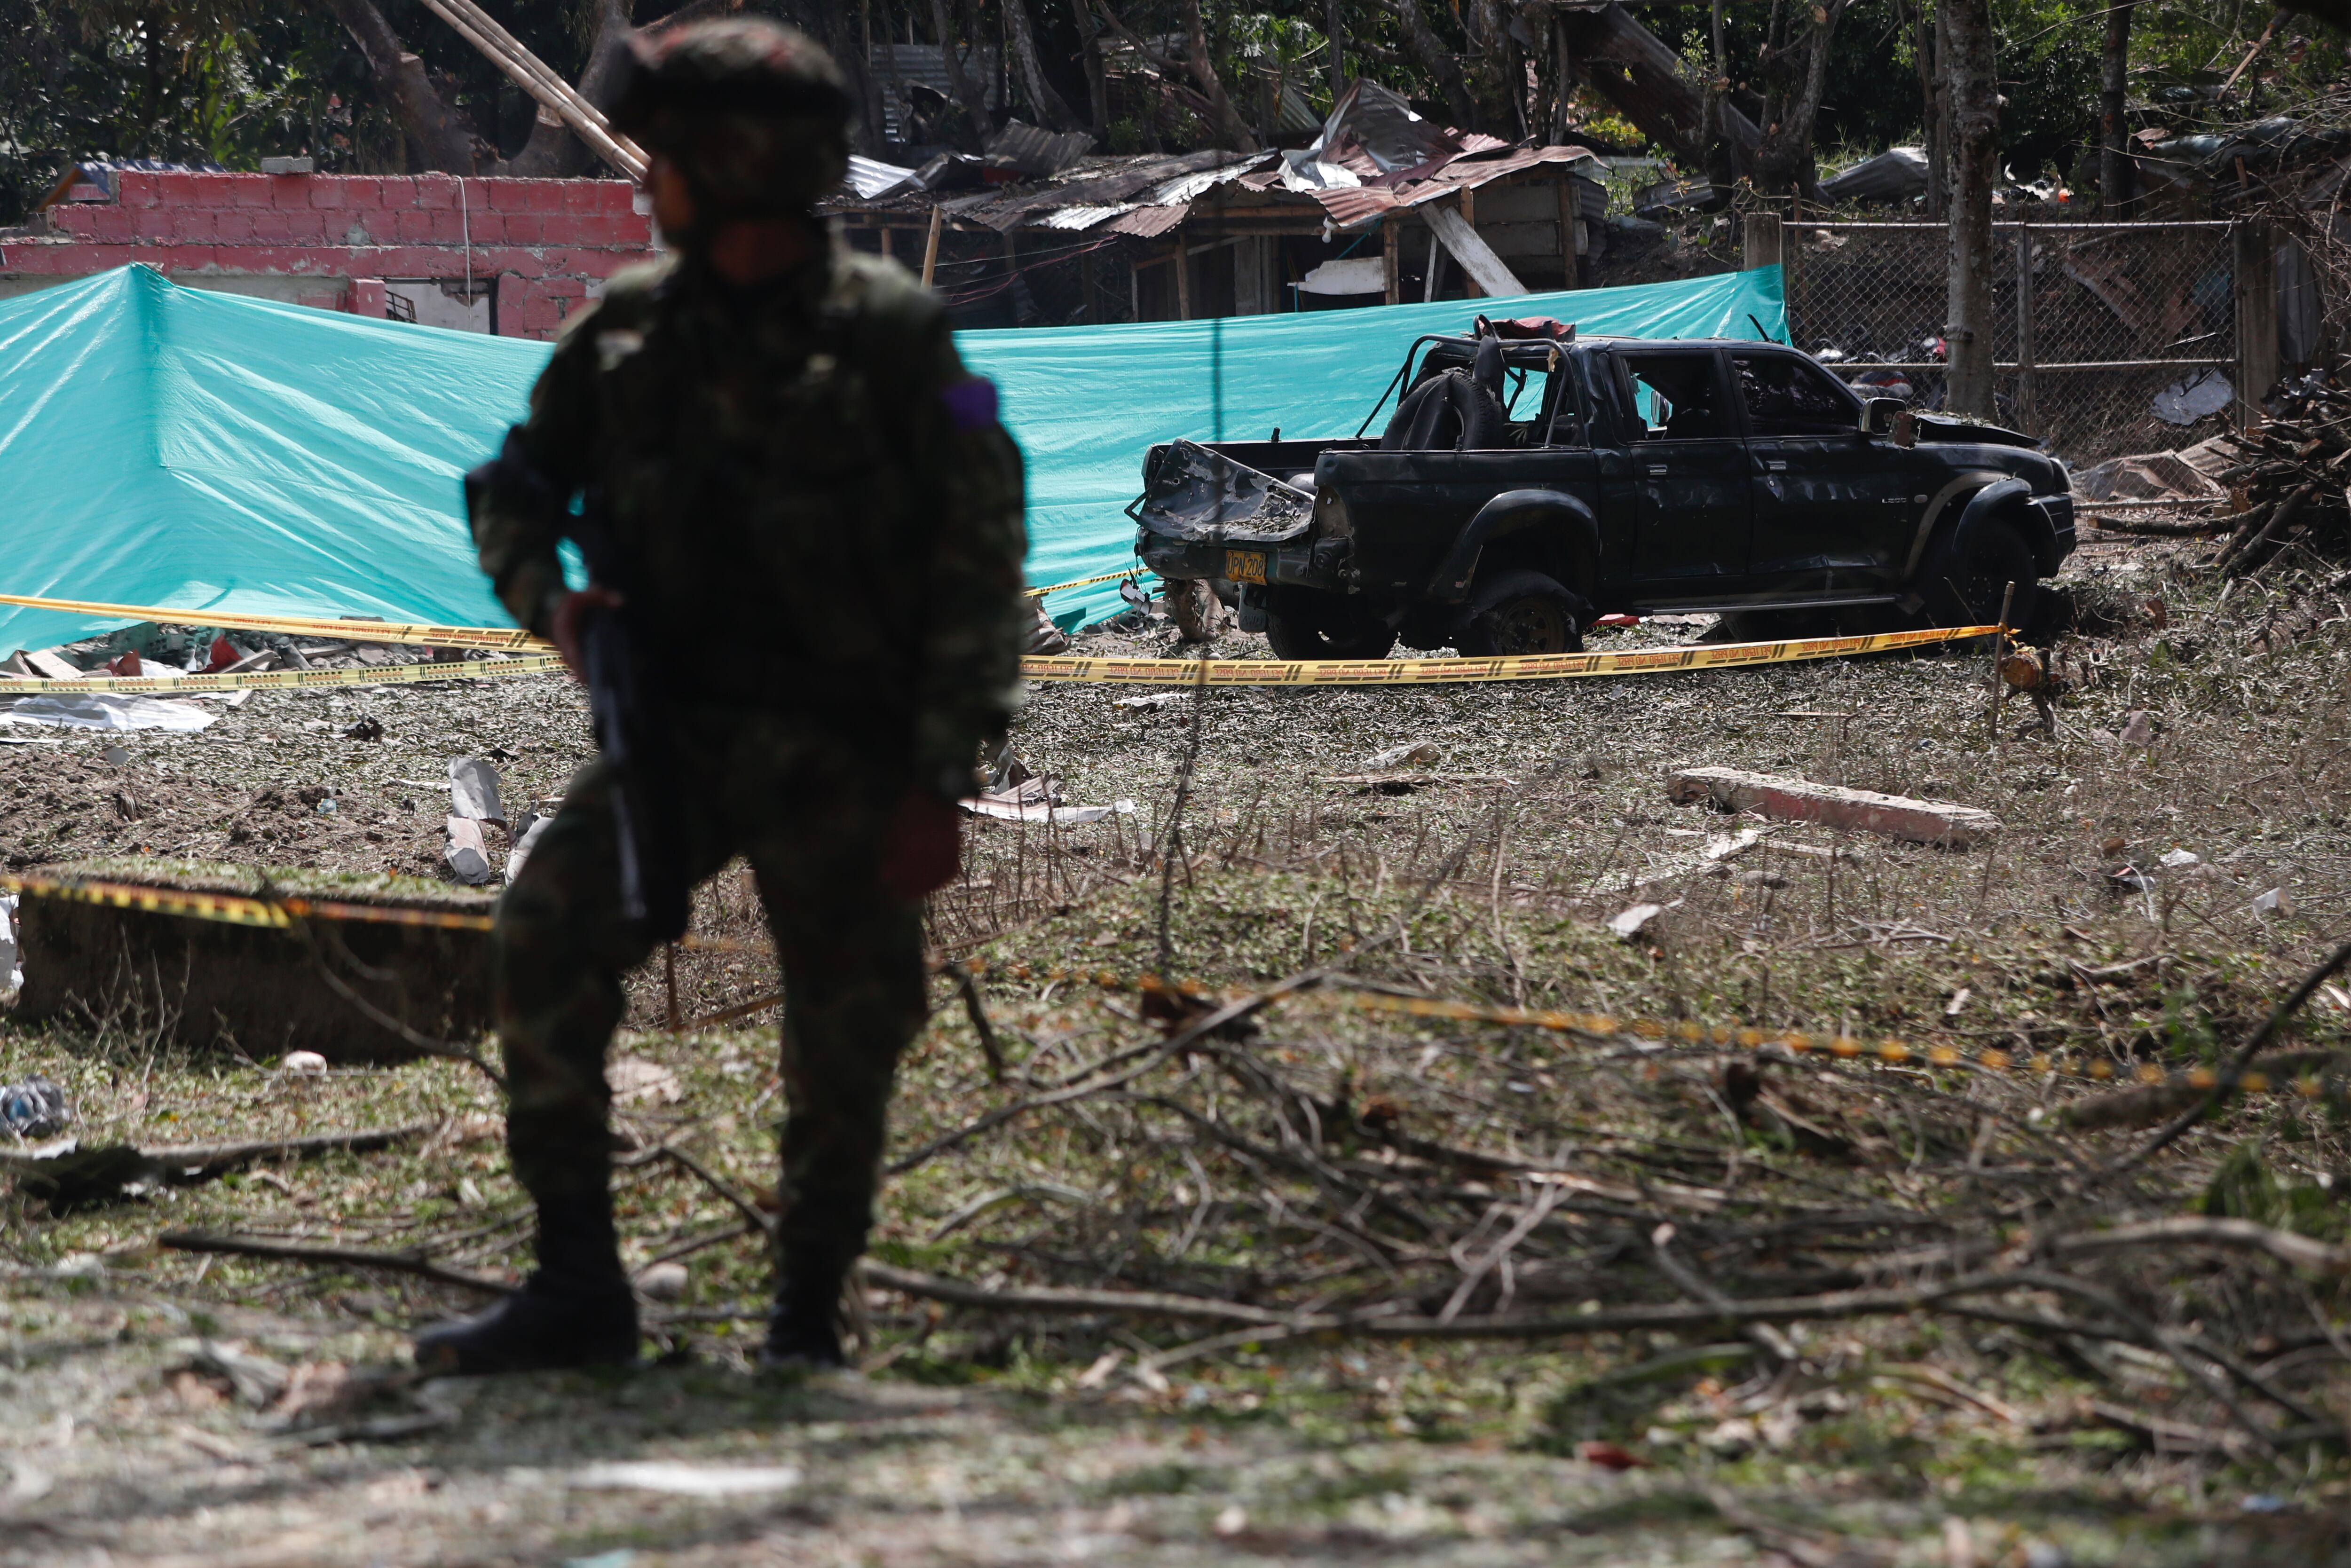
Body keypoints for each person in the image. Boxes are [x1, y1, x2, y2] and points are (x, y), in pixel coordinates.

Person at [416, 17, 1027, 1374]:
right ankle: (578, 1286)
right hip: (673, 736)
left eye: (667, 157)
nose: (647, 186)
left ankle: (806, 1315)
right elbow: (512, 490)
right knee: (544, 937)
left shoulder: (900, 342)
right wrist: (554, 607)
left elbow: (982, 566)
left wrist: (939, 779)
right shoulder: (626, 330)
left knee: (849, 1021)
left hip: (850, 751)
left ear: (734, 165)